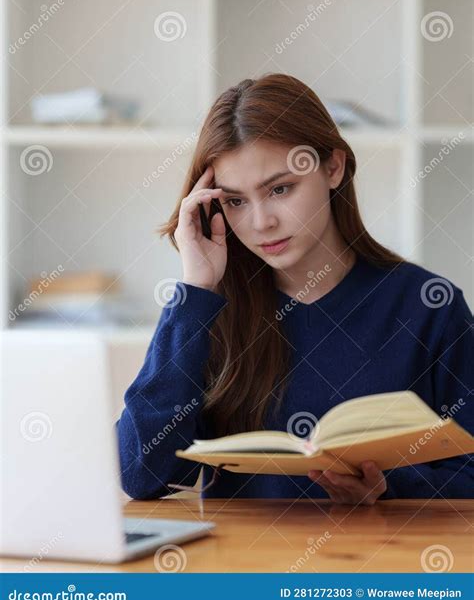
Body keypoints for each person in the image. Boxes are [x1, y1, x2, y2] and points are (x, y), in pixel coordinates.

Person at [116, 73, 473, 504]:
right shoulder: (211, 311)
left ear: (333, 167)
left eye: (280, 189)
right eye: (235, 201)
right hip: (244, 569)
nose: (261, 222)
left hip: (382, 566)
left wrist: (388, 490)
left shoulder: (428, 305)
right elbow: (140, 475)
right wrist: (194, 292)